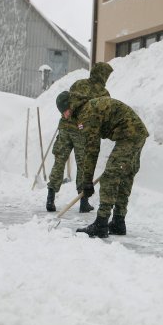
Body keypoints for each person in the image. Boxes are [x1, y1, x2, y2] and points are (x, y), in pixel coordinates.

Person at [59, 90, 148, 238]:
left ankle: (101, 224)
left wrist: (87, 181)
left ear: (68, 107)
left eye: (63, 112)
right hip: (135, 133)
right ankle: (118, 222)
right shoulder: (86, 108)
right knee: (124, 177)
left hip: (129, 134)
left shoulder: (86, 114)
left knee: (110, 176)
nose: (64, 116)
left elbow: (92, 149)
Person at [46, 62, 113, 213]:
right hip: (83, 130)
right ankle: (83, 202)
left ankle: (50, 197)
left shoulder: (78, 84)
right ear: (103, 76)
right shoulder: (103, 93)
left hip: (65, 126)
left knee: (59, 160)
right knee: (83, 165)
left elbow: (66, 102)